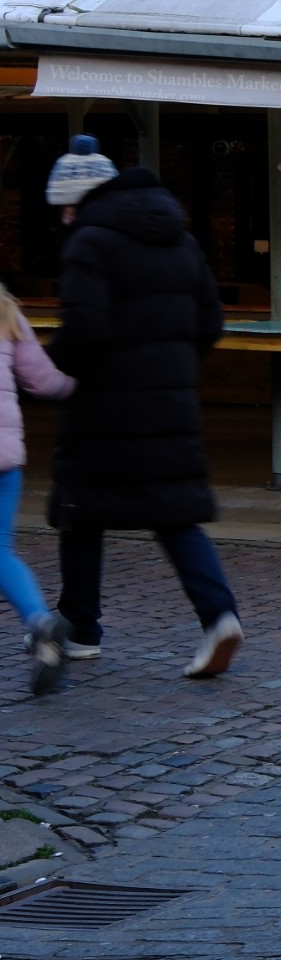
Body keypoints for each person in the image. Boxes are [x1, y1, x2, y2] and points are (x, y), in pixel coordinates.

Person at [41, 137, 242, 680]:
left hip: (103, 406)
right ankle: (219, 616)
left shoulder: (89, 243)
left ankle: (81, 627)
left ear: (80, 202)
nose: (63, 217)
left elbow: (85, 329)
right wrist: (172, 368)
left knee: (80, 508)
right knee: (174, 513)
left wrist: (47, 371)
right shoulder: (181, 240)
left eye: (65, 206)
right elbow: (211, 323)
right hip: (171, 401)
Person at [0, 276, 78, 693]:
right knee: (0, 549)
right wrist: (81, 386)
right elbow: (44, 381)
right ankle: (41, 622)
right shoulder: (6, 310)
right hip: (6, 458)